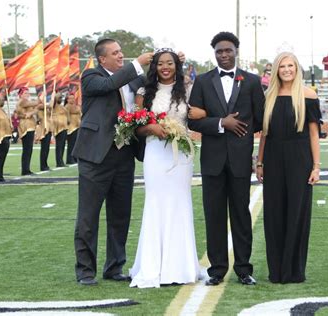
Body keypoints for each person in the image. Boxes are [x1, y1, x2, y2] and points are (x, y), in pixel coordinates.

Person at [72, 38, 153, 286]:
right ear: (102, 59)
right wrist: (136, 65)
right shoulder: (92, 77)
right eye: (115, 53)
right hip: (96, 156)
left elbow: (153, 87)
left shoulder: (135, 80)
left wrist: (172, 61)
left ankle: (114, 266)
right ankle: (85, 271)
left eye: (122, 52)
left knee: (120, 215)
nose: (121, 56)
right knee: (88, 216)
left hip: (124, 154)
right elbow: (110, 84)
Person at [188, 32, 265, 286]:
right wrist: (222, 123)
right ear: (214, 53)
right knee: (214, 216)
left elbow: (259, 118)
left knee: (241, 216)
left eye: (228, 50)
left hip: (240, 160)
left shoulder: (252, 81)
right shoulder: (202, 81)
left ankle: (244, 270)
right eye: (219, 51)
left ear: (236, 51)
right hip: (212, 161)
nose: (223, 54)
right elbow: (192, 119)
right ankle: (217, 270)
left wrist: (242, 134)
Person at [128, 48, 205, 288]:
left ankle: (180, 267)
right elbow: (136, 126)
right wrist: (152, 128)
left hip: (180, 156)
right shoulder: (144, 92)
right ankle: (152, 266)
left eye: (169, 63)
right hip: (155, 154)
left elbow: (202, 113)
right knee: (156, 203)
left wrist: (186, 123)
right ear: (155, 67)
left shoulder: (188, 90)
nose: (165, 67)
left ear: (176, 65)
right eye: (160, 63)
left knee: (179, 203)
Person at [255, 51, 321, 284]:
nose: (286, 70)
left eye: (290, 65)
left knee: (297, 214)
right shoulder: (268, 96)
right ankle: (277, 271)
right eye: (282, 66)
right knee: (274, 215)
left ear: (297, 68)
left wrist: (316, 166)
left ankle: (294, 271)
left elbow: (314, 134)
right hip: (272, 159)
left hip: (300, 160)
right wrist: (259, 162)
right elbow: (264, 133)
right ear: (276, 70)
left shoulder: (308, 95)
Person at [15, 87, 40, 176]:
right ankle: (25, 170)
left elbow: (37, 108)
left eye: (28, 93)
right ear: (21, 94)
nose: (27, 95)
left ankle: (26, 169)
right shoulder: (22, 101)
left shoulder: (26, 103)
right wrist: (41, 97)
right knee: (27, 149)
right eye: (25, 93)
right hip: (26, 126)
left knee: (28, 149)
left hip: (30, 125)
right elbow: (37, 104)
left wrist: (31, 113)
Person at [36, 94, 54, 171]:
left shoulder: (45, 108)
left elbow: (50, 108)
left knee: (47, 148)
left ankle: (45, 164)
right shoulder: (39, 106)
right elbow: (49, 106)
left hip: (48, 127)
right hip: (43, 128)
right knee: (44, 148)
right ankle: (43, 165)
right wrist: (52, 99)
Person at [52, 92, 68, 167]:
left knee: (62, 145)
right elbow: (53, 100)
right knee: (59, 145)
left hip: (64, 127)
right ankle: (59, 162)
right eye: (59, 98)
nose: (60, 99)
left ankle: (61, 160)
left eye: (61, 98)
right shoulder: (54, 106)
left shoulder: (62, 106)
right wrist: (56, 95)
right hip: (58, 128)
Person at [65, 93, 81, 165]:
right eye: (70, 98)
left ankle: (75, 158)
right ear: (67, 100)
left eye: (73, 98)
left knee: (76, 144)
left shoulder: (76, 106)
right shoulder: (67, 106)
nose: (72, 100)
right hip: (71, 128)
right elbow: (71, 113)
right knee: (71, 144)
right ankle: (69, 159)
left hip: (77, 126)